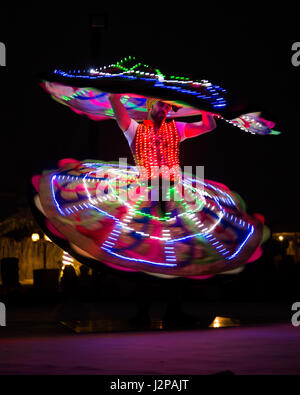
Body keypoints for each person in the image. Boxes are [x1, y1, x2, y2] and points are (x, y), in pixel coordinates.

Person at [108, 94, 217, 326]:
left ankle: (174, 310)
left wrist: (204, 106)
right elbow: (118, 112)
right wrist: (113, 95)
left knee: (175, 254)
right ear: (149, 105)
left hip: (172, 197)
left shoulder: (176, 128)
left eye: (168, 106)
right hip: (147, 198)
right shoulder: (134, 130)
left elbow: (209, 125)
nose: (165, 109)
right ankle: (142, 313)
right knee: (146, 254)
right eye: (161, 104)